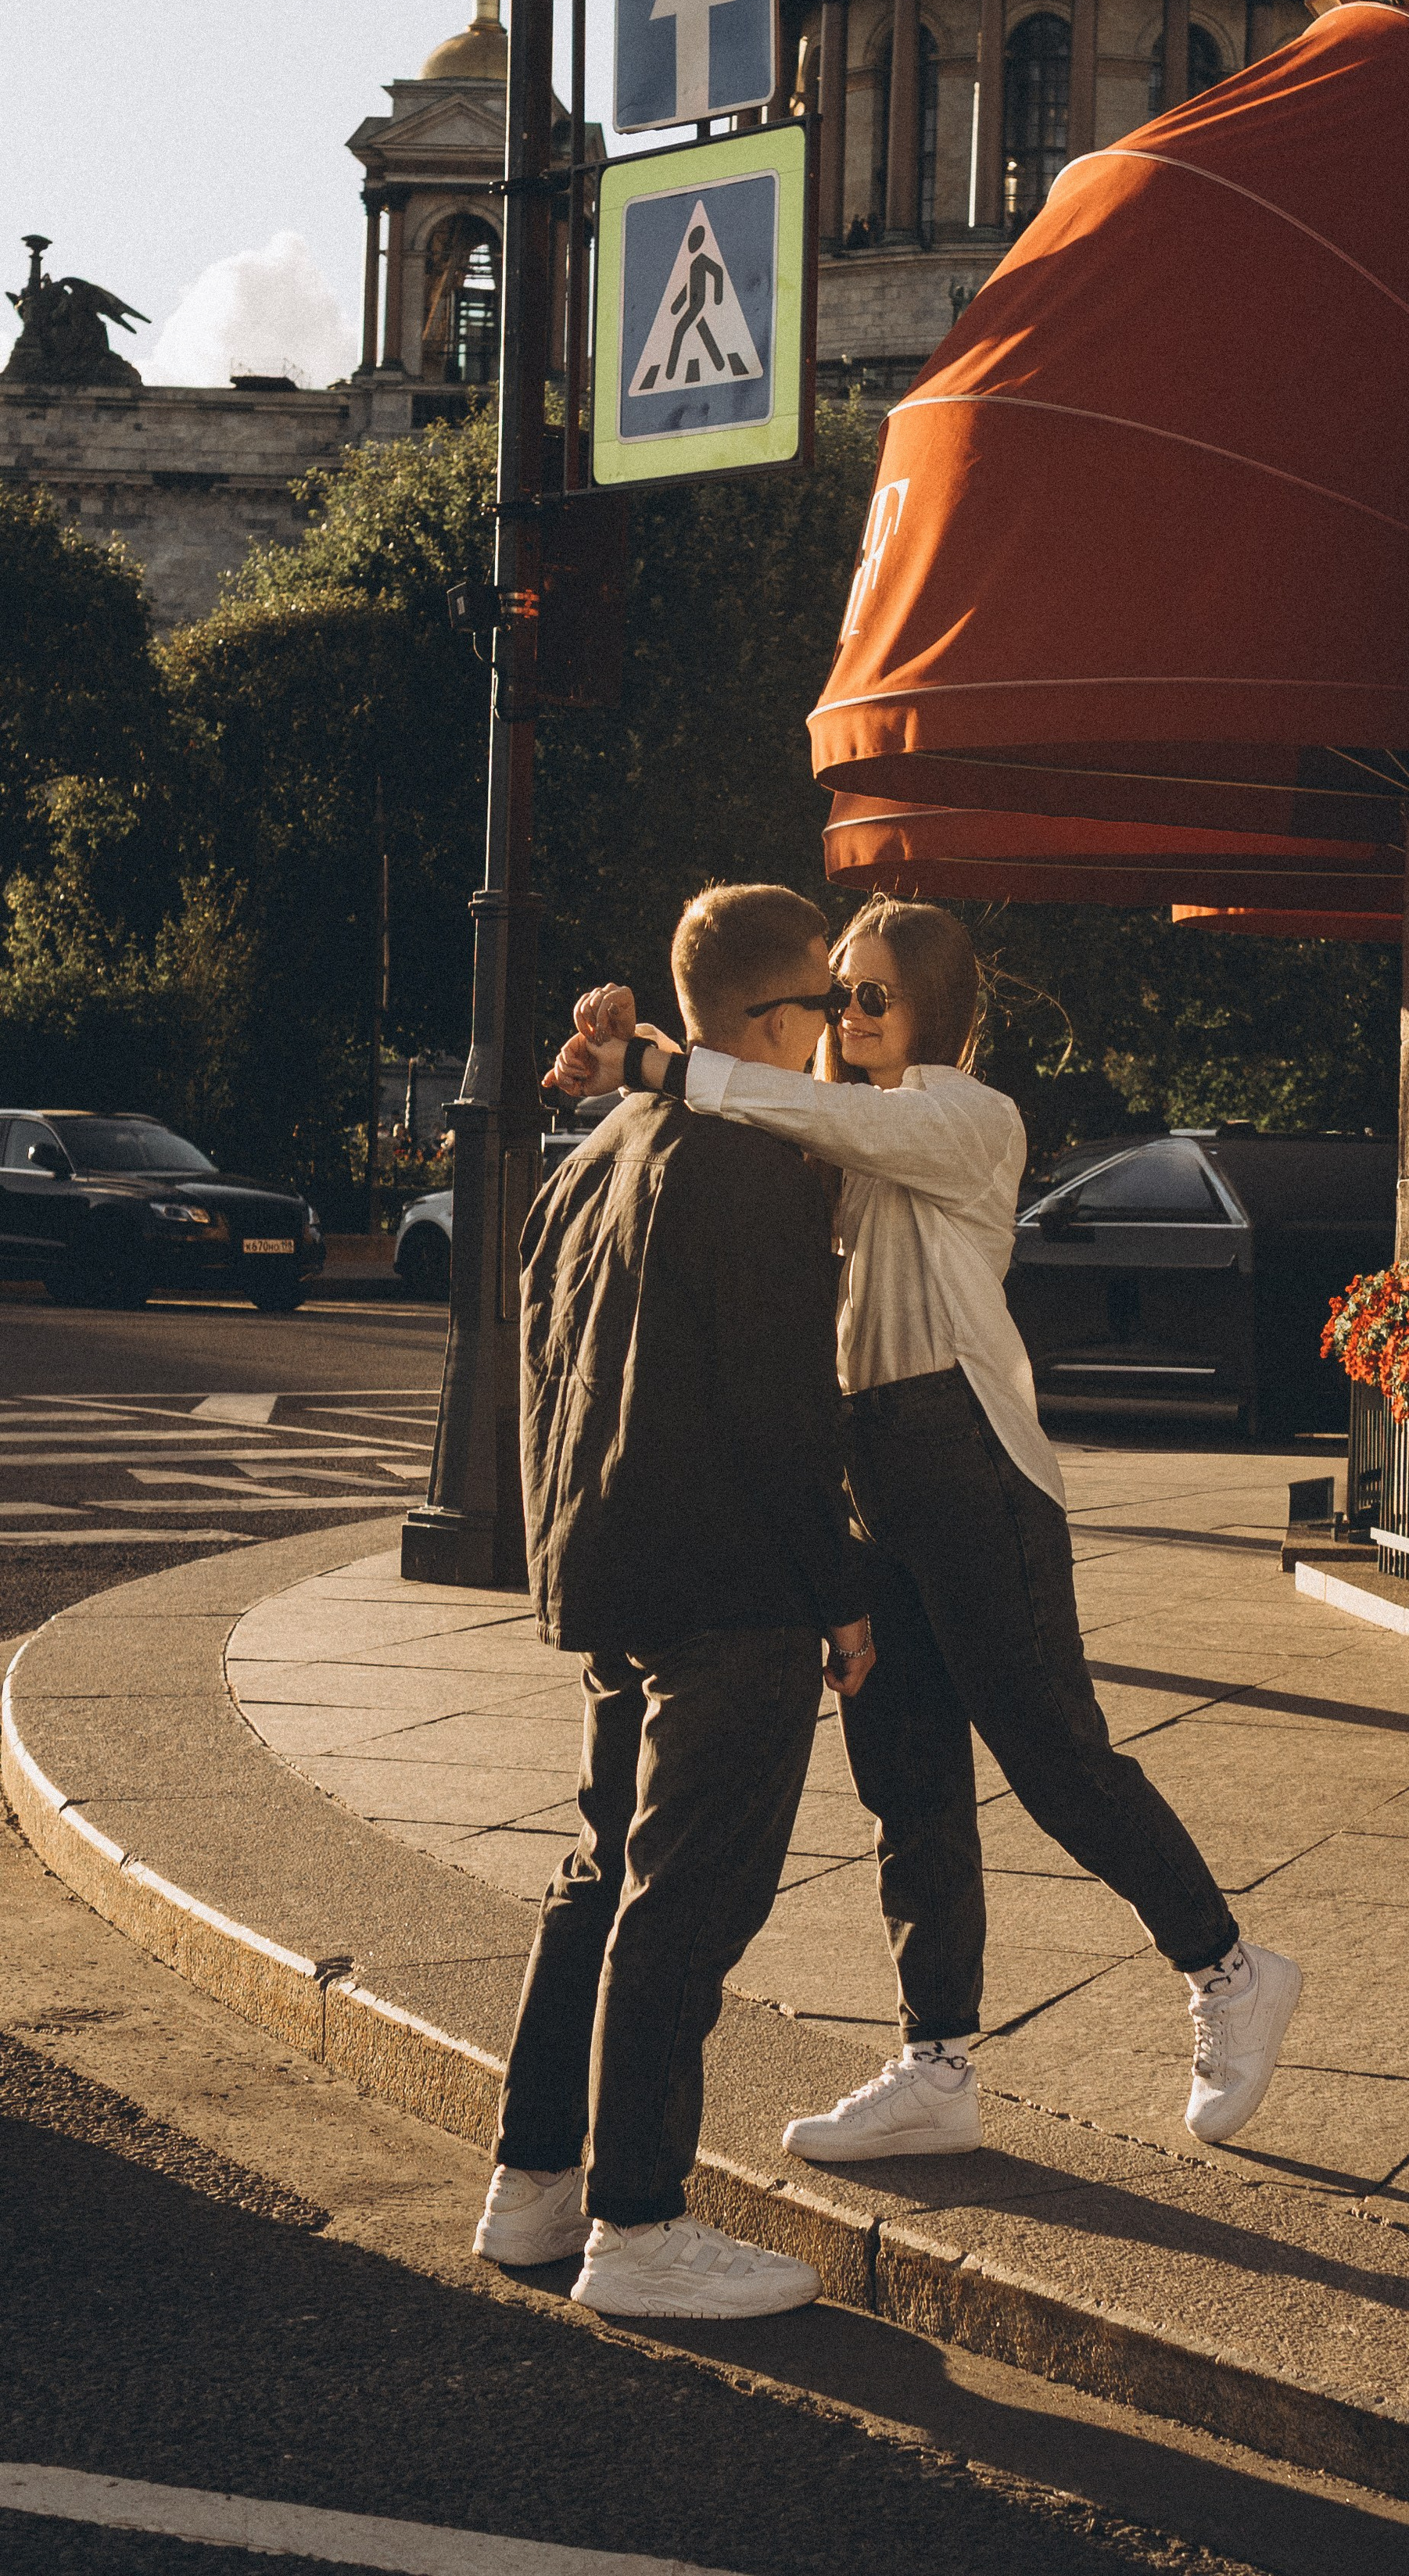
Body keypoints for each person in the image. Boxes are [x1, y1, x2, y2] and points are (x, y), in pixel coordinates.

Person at [552, 897, 1300, 2162]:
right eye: (835, 993)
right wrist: (622, 1063)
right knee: (906, 1780)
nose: (845, 1015)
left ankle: (1229, 1968)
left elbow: (805, 1107)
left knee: (1053, 1753)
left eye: (872, 996)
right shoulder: (830, 1128)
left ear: (933, 1009)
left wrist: (666, 1063)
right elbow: (752, 1119)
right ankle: (936, 2064)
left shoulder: (964, 1116)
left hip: (968, 1463)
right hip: (869, 1471)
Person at [475, 882, 876, 2319]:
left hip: (617, 1571)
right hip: (732, 1585)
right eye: (828, 1004)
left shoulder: (605, 1148)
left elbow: (540, 1357)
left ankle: (534, 2182)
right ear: (771, 1020)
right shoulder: (755, 1167)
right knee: (684, 1907)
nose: (837, 1030)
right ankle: (638, 2224)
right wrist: (841, 1592)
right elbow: (785, 1414)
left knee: (600, 1876)